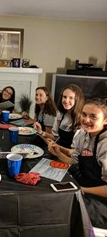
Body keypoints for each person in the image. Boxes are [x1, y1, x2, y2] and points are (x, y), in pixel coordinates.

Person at [48, 98, 107, 229]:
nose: (86, 120)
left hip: (101, 201)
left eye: (93, 117)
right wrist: (58, 154)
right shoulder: (82, 134)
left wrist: (80, 190)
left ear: (105, 120)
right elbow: (75, 162)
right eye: (84, 114)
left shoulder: (105, 144)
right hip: (83, 185)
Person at [34, 84, 84, 148]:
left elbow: (75, 150)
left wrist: (56, 146)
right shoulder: (60, 114)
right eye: (64, 97)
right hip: (58, 150)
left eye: (71, 98)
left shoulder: (80, 119)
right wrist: (40, 132)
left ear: (77, 100)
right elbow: (55, 137)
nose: (66, 100)